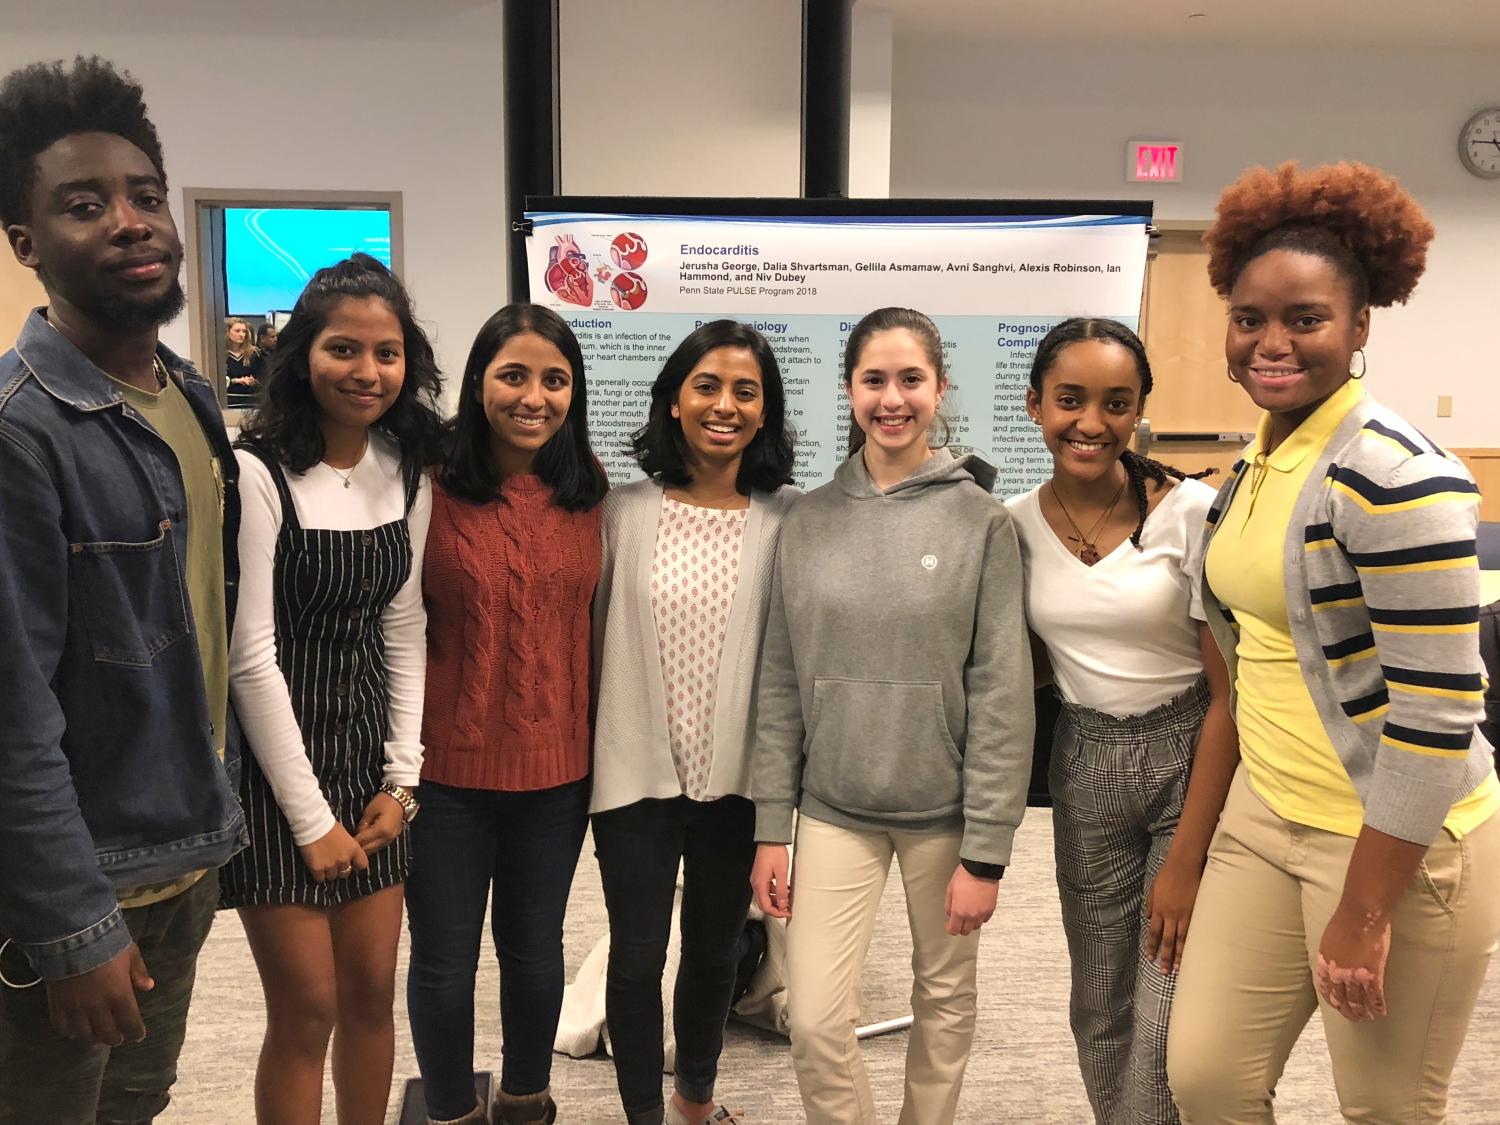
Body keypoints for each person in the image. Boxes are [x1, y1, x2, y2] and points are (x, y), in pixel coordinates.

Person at [1166, 162, 1500, 1124]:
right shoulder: (1259, 459)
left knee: (1386, 1108)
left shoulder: (1395, 474)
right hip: (1266, 821)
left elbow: (1438, 721)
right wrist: (1192, 852)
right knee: (1211, 1082)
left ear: (1359, 328)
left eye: (1305, 318)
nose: (1271, 342)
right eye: (1249, 317)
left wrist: (1365, 910)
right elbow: (1239, 672)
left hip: (1399, 845)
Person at [0, 56, 246, 1122]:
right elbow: (11, 718)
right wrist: (73, 927)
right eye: (84, 204)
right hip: (78, 892)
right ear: (25, 244)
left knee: (136, 1111)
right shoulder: (23, 434)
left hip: (177, 868)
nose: (131, 222)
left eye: (146, 196)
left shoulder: (186, 402)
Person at [751, 306, 1034, 1124]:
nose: (892, 398)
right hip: (834, 808)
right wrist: (775, 824)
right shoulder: (807, 519)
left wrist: (987, 852)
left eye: (911, 378)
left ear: (940, 387)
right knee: (813, 1018)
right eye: (874, 379)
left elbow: (1003, 693)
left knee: (944, 1001)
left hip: (943, 815)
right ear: (849, 389)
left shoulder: (981, 520)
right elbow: (779, 681)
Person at [218, 252, 442, 1123]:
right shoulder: (258, 470)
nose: (367, 371)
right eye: (343, 349)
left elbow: (405, 624)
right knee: (306, 1010)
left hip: (370, 770)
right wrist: (311, 822)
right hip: (278, 781)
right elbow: (251, 656)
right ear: (303, 355)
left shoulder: (406, 466)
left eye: (385, 354)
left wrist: (402, 781)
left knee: (372, 997)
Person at [1008, 318, 1237, 1124]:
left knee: (1165, 1005)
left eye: (1116, 403)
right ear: (1035, 403)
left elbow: (1231, 696)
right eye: (1070, 400)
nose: (1091, 422)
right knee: (1099, 1000)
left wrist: (1188, 857)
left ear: (1139, 411)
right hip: (1086, 761)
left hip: (1190, 753)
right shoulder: (1014, 525)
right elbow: (1025, 662)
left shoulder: (1191, 514)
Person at [592, 319, 798, 1125]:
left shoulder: (788, 520)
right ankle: (643, 1113)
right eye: (707, 385)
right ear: (673, 401)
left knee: (715, 954)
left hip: (740, 781)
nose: (725, 404)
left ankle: (694, 1104)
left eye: (746, 390)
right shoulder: (619, 512)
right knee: (637, 957)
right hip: (634, 773)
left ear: (766, 411)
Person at [407, 304, 609, 1125]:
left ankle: (527, 1100)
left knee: (533, 953)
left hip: (556, 774)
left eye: (554, 379)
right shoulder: (427, 482)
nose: (534, 396)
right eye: (513, 375)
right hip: (443, 773)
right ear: (478, 382)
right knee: (446, 961)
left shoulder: (590, 491)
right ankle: (452, 1111)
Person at [225, 316, 263, 409]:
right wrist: (235, 381)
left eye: (244, 331)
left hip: (252, 402)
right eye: (237, 331)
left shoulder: (255, 353)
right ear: (227, 332)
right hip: (228, 402)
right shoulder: (220, 354)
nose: (242, 334)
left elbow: (264, 376)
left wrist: (255, 381)